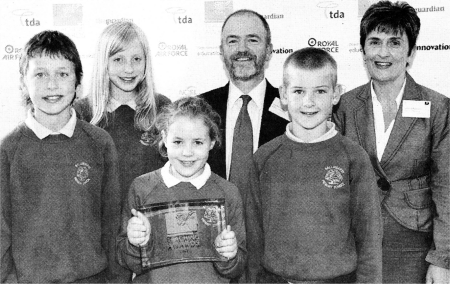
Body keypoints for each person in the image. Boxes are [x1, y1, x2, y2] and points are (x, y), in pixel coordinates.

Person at [332, 1, 450, 283]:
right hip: (354, 241)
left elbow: (447, 187)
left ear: (410, 52)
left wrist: (443, 259)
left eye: (395, 42)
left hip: (414, 243)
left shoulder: (437, 107)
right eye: (374, 42)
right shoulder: (343, 106)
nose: (383, 52)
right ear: (363, 51)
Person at [246, 47, 382, 283]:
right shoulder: (264, 158)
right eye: (298, 91)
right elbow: (253, 237)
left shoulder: (353, 158)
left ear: (336, 94)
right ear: (284, 95)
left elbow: (369, 236)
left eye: (320, 91)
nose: (308, 102)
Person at [0, 30, 121, 282]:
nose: (52, 85)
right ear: (23, 82)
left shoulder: (99, 143)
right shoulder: (8, 150)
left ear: (78, 82)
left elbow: (112, 225)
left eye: (63, 74)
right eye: (40, 74)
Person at [116, 97, 246, 283]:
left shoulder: (228, 193)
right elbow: (127, 260)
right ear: (164, 138)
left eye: (198, 142)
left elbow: (237, 268)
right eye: (178, 142)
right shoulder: (141, 188)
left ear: (212, 142)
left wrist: (229, 254)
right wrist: (135, 243)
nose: (187, 152)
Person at [75, 21, 170, 209]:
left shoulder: (163, 108)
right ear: (104, 63)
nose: (129, 69)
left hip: (153, 223)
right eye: (118, 59)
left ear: (146, 62)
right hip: (101, 227)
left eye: (136, 59)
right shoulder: (82, 113)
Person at [200, 9, 288, 203]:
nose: (242, 49)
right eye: (232, 41)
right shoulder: (199, 109)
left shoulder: (291, 109)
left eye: (253, 40)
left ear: (269, 50)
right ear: (221, 51)